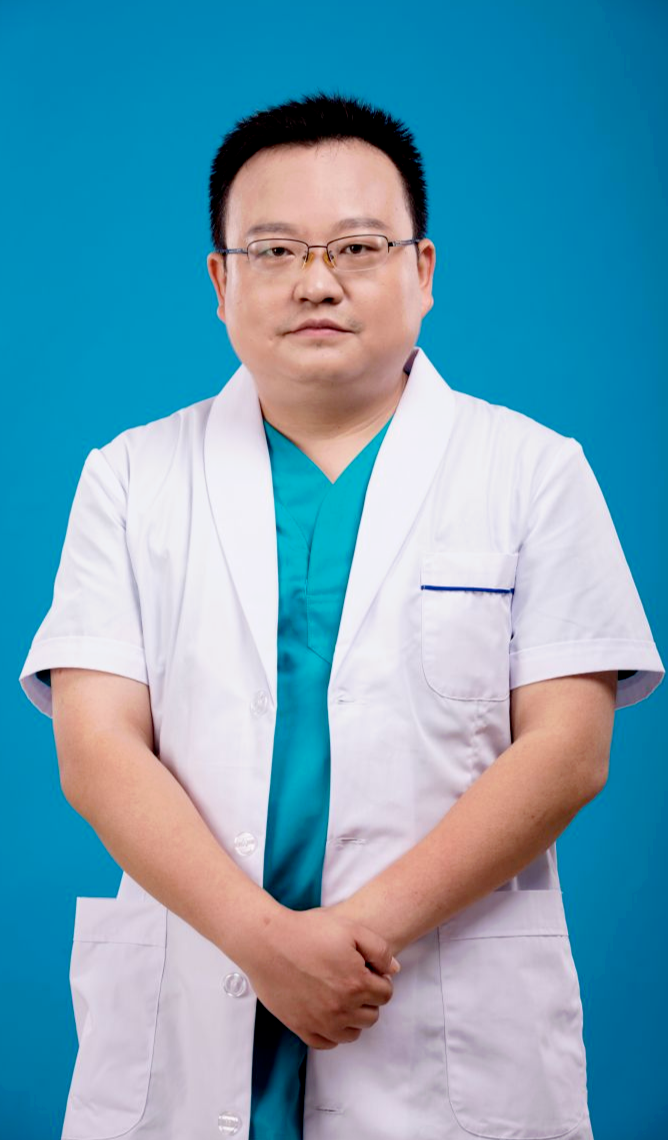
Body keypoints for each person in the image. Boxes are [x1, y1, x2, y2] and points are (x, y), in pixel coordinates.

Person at [19, 90, 664, 1140]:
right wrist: (263, 943)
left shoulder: (532, 472)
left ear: (423, 270)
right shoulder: (130, 478)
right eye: (273, 251)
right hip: (197, 1002)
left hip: (436, 1024)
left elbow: (568, 753)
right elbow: (96, 752)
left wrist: (349, 939)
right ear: (220, 282)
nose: (315, 281)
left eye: (357, 247)